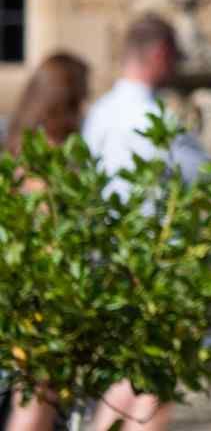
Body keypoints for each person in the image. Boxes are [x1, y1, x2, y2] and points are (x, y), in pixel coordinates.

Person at [80, 15, 210, 431]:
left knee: (127, 383)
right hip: (152, 268)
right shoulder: (156, 120)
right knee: (153, 386)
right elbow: (209, 184)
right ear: (159, 55)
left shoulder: (99, 113)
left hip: (107, 262)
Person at [5, 52, 91, 431]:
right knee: (36, 403)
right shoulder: (47, 162)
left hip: (22, 303)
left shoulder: (17, 146)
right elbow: (48, 243)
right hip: (41, 308)